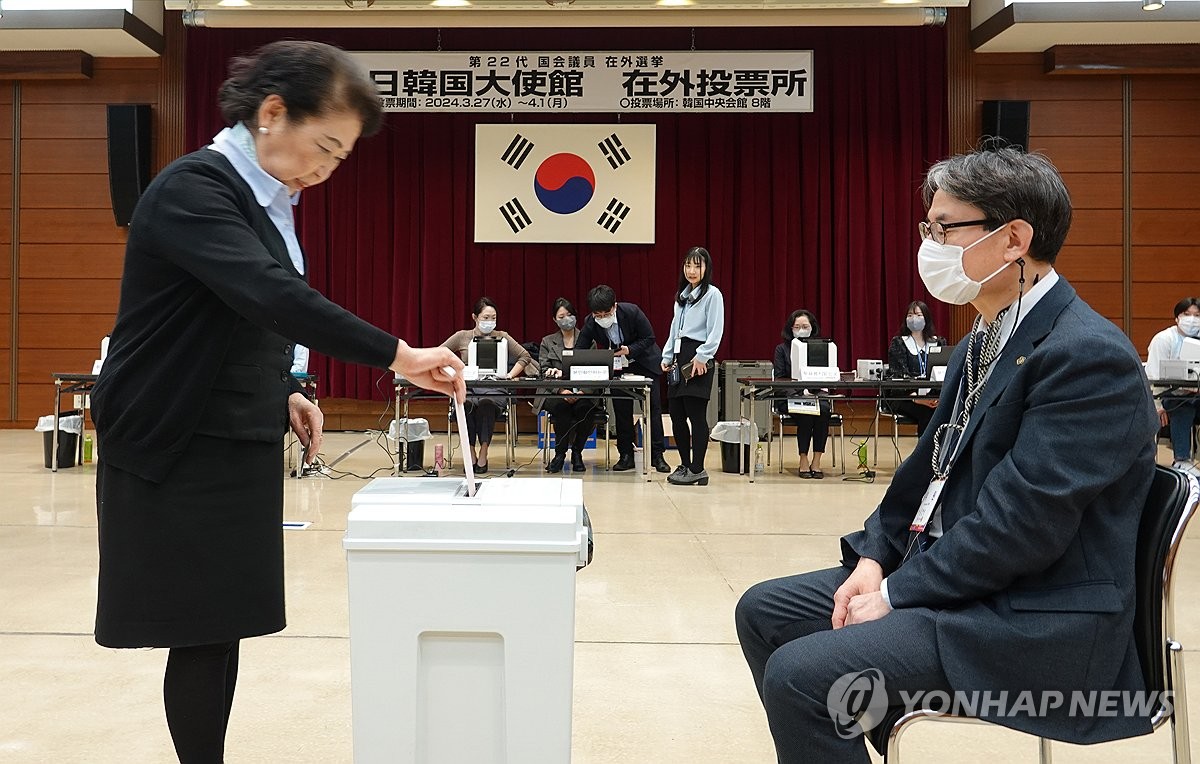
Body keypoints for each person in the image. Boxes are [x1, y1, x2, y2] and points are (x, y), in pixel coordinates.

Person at [89, 41, 466, 764]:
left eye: (341, 157)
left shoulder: (265, 197)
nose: (327, 169)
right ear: (271, 113)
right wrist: (401, 355)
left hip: (232, 429)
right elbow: (271, 294)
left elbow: (240, 315)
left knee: (224, 621)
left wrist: (286, 387)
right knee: (199, 627)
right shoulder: (193, 189)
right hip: (174, 438)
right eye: (324, 145)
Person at [736, 148, 1159, 763]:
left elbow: (1022, 527)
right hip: (963, 579)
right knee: (766, 612)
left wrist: (899, 596)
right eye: (926, 229)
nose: (929, 245)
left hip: (1035, 614)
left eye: (944, 229)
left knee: (805, 676)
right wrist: (876, 559)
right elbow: (921, 480)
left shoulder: (1086, 357)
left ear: (1013, 239)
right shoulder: (982, 342)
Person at [575, 285, 672, 473]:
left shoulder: (632, 312)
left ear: (615, 306)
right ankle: (626, 455)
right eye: (598, 315)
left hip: (645, 362)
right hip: (618, 368)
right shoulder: (591, 321)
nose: (602, 318)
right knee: (621, 411)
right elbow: (580, 349)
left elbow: (649, 338)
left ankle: (657, 456)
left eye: (606, 313)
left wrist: (630, 350)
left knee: (652, 410)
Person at [441, 296, 537, 473]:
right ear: (474, 317)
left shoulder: (503, 337)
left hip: (495, 388)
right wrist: (455, 374)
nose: (490, 322)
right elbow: (439, 355)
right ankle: (470, 452)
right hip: (468, 387)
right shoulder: (462, 337)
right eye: (486, 318)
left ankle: (484, 451)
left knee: (486, 403)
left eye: (493, 318)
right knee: (466, 404)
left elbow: (525, 356)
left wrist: (509, 376)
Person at [661, 247, 725, 486]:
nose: (691, 270)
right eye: (688, 265)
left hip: (698, 356)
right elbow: (673, 330)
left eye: (697, 266)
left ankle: (698, 467)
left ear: (706, 268)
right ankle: (685, 464)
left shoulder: (713, 295)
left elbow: (715, 331)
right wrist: (667, 356)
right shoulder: (682, 297)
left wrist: (703, 357)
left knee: (696, 415)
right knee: (676, 414)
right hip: (679, 355)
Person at [536, 297, 599, 473]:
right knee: (562, 408)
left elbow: (596, 369)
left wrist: (581, 391)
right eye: (561, 316)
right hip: (556, 392)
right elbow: (544, 371)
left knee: (585, 409)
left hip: (583, 391)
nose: (566, 319)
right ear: (555, 320)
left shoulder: (588, 340)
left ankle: (577, 453)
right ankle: (560, 454)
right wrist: (561, 390)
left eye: (569, 315)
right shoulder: (547, 342)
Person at [772, 309, 834, 478]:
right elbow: (779, 379)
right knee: (807, 411)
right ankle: (803, 459)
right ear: (790, 328)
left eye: (805, 326)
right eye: (797, 326)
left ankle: (817, 460)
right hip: (790, 398)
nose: (801, 329)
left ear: (812, 328)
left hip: (816, 395)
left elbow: (827, 374)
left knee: (823, 409)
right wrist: (799, 394)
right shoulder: (781, 349)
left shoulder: (820, 347)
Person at [1145, 296, 1200, 477]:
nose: (1192, 319)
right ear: (1177, 318)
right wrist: (1157, 407)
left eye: (1197, 315)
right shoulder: (1163, 339)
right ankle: (1182, 460)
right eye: (1187, 314)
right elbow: (1152, 376)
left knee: (1190, 402)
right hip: (1170, 396)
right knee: (1183, 404)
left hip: (1196, 396)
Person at [883, 300, 943, 436]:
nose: (913, 318)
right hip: (904, 397)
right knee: (927, 413)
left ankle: (943, 453)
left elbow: (943, 371)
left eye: (918, 315)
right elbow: (899, 375)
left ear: (926, 318)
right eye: (910, 315)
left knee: (944, 411)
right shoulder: (898, 343)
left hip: (932, 396)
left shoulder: (938, 342)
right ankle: (925, 455)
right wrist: (918, 398)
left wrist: (935, 397)